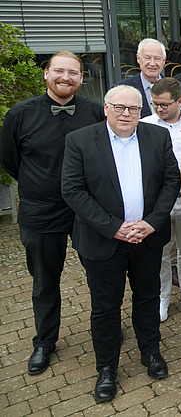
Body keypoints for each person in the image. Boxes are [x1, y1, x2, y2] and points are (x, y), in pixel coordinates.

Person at [61, 85, 180, 402]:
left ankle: (150, 352)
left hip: (146, 238)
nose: (126, 114)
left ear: (141, 111)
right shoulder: (80, 140)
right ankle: (106, 368)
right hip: (103, 241)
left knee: (148, 298)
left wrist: (151, 222)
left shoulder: (158, 137)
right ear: (106, 108)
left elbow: (171, 181)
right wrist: (114, 228)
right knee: (105, 307)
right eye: (119, 107)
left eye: (133, 108)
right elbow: (73, 191)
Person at [0, 51, 104, 376]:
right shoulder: (20, 114)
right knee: (45, 282)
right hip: (40, 212)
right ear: (46, 73)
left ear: (81, 78)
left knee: (100, 274)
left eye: (73, 73)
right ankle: (45, 341)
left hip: (87, 210)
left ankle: (105, 330)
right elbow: (10, 161)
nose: (66, 77)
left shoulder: (95, 112)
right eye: (59, 70)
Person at [140, 77, 181, 320]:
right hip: (157, 201)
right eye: (155, 103)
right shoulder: (143, 125)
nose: (159, 108)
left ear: (179, 101)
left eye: (164, 104)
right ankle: (162, 297)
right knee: (160, 252)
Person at [113, 39, 181, 118]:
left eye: (157, 59)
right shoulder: (121, 89)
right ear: (138, 59)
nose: (152, 63)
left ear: (164, 61)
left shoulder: (179, 89)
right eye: (147, 58)